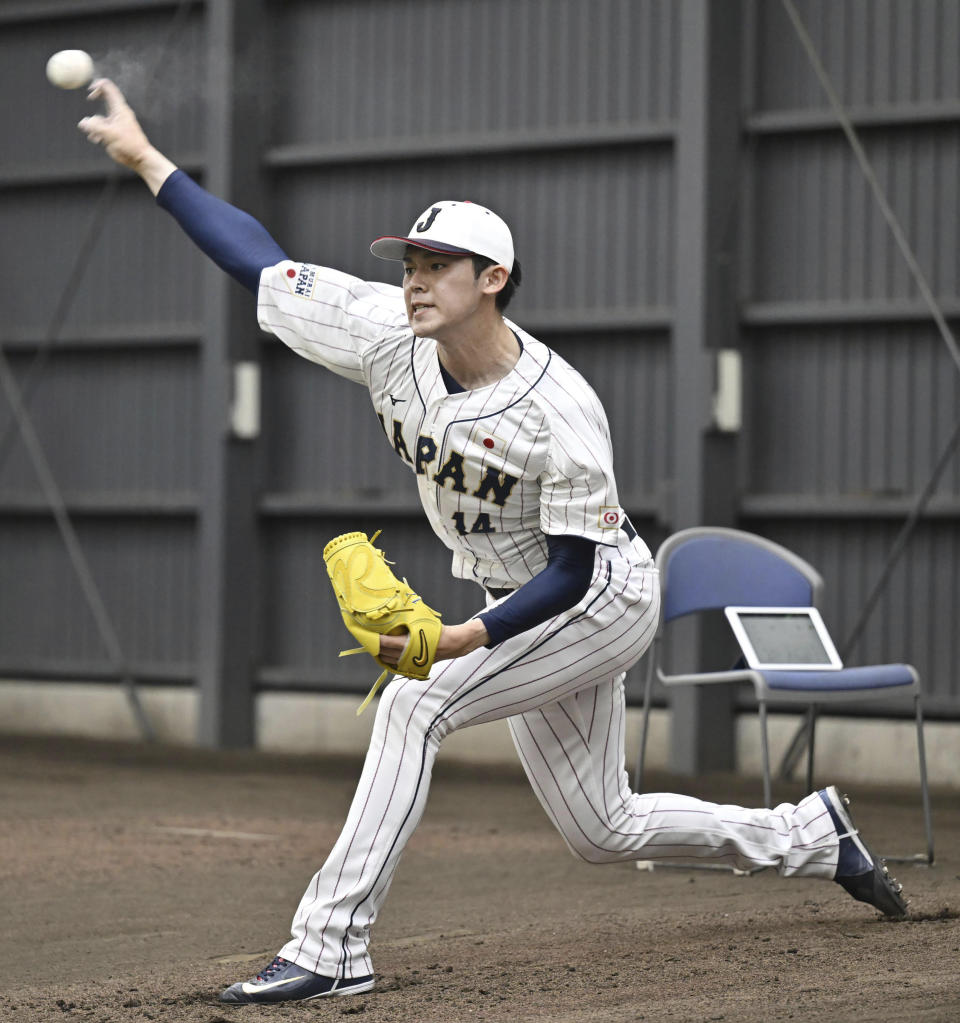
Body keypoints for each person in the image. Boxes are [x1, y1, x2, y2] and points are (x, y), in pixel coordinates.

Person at [78, 80, 907, 1005]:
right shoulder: (390, 334)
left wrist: (466, 638)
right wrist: (149, 160)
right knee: (604, 827)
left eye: (439, 264)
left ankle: (331, 944)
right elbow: (260, 263)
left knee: (411, 705)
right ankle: (813, 835)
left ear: (494, 280)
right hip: (517, 596)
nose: (416, 279)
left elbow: (572, 571)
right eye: (410, 262)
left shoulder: (561, 410)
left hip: (596, 599)